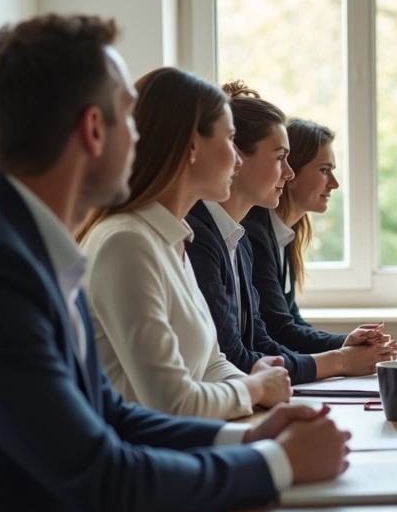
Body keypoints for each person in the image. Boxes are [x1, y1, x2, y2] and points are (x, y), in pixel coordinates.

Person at [0, 15, 349, 512]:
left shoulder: (29, 242)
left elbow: (110, 413)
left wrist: (252, 441)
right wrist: (279, 465)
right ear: (94, 130)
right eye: (131, 115)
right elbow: (102, 474)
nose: (146, 133)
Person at [75, 67, 292, 420]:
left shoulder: (172, 237)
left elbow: (211, 364)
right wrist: (255, 388)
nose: (238, 159)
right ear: (191, 145)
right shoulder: (126, 243)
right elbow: (173, 404)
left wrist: (258, 383)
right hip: (145, 459)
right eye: (229, 140)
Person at [186, 82, 396, 383]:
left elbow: (261, 342)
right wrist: (339, 360)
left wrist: (343, 352)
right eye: (280, 158)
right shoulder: (201, 236)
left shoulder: (239, 240)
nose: (289, 172)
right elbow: (237, 357)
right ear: (237, 157)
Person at [242, 118, 385, 354]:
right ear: (291, 174)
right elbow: (280, 330)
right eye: (323, 171)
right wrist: (344, 347)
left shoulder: (284, 233)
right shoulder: (254, 234)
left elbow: (292, 319)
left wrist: (347, 342)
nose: (334, 184)